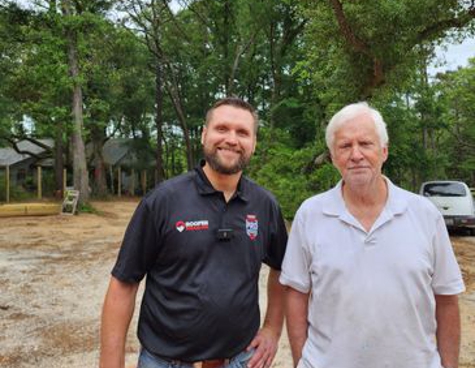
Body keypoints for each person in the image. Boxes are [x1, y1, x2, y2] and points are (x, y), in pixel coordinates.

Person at [100, 97, 288, 368]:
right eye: (221, 129)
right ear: (204, 135)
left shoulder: (265, 205)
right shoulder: (163, 200)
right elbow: (124, 283)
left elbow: (283, 268)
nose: (232, 139)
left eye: (243, 132)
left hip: (239, 358)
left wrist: (272, 328)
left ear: (254, 143)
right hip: (166, 361)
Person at [280, 102, 465, 368]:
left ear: (384, 151)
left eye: (365, 143)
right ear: (333, 157)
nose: (356, 154)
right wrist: (302, 362)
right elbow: (296, 294)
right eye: (345, 146)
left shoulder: (424, 214)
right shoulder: (310, 214)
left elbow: (446, 299)